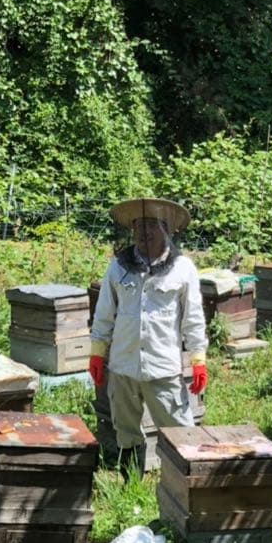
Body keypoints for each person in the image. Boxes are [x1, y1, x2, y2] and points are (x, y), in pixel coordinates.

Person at [89, 198, 208, 473]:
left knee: (180, 432)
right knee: (126, 432)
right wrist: (97, 352)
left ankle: (181, 488)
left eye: (151, 225)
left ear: (166, 229)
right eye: (138, 226)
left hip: (163, 367)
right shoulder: (119, 266)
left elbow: (193, 318)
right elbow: (105, 312)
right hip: (123, 366)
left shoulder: (183, 268)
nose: (144, 233)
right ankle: (132, 485)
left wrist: (198, 358)